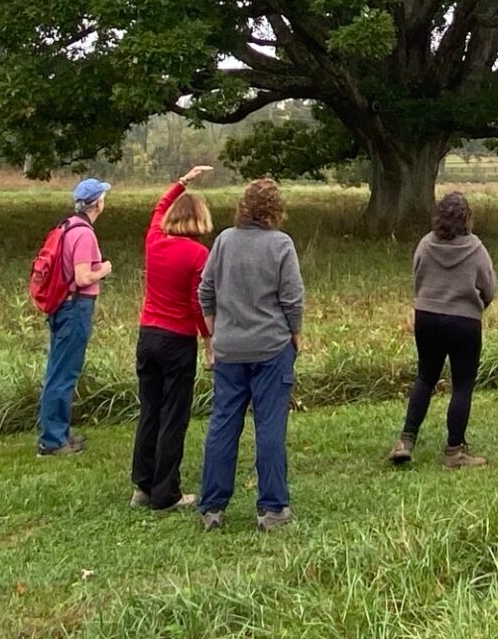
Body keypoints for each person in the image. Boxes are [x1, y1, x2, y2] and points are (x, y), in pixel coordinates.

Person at [196, 178, 306, 532]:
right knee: (270, 425)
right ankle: (272, 508)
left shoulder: (224, 240)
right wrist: (296, 334)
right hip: (272, 346)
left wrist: (214, 333)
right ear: (276, 209)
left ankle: (212, 506)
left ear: (243, 207)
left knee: (223, 423)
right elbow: (292, 297)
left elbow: (206, 290)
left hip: (230, 348)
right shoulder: (281, 245)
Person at [388, 192, 498, 469]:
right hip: (464, 322)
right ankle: (454, 451)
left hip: (427, 316)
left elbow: (418, 276)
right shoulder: (476, 249)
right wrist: (477, 305)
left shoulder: (426, 244)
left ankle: (406, 440)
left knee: (425, 377)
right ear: (466, 219)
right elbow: (490, 288)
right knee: (462, 385)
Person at [131, 163, 215, 510]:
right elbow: (198, 305)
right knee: (174, 415)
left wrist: (180, 183)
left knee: (150, 410)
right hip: (177, 340)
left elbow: (158, 210)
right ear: (199, 221)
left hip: (147, 335)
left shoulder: (154, 241)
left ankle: (142, 486)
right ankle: (167, 493)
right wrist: (209, 340)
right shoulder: (198, 254)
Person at [38, 178, 115, 456]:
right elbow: (83, 277)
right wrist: (104, 269)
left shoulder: (67, 226)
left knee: (57, 370)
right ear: (97, 202)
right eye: (103, 196)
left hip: (62, 305)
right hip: (76, 307)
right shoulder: (84, 234)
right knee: (64, 374)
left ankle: (58, 433)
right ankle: (53, 441)